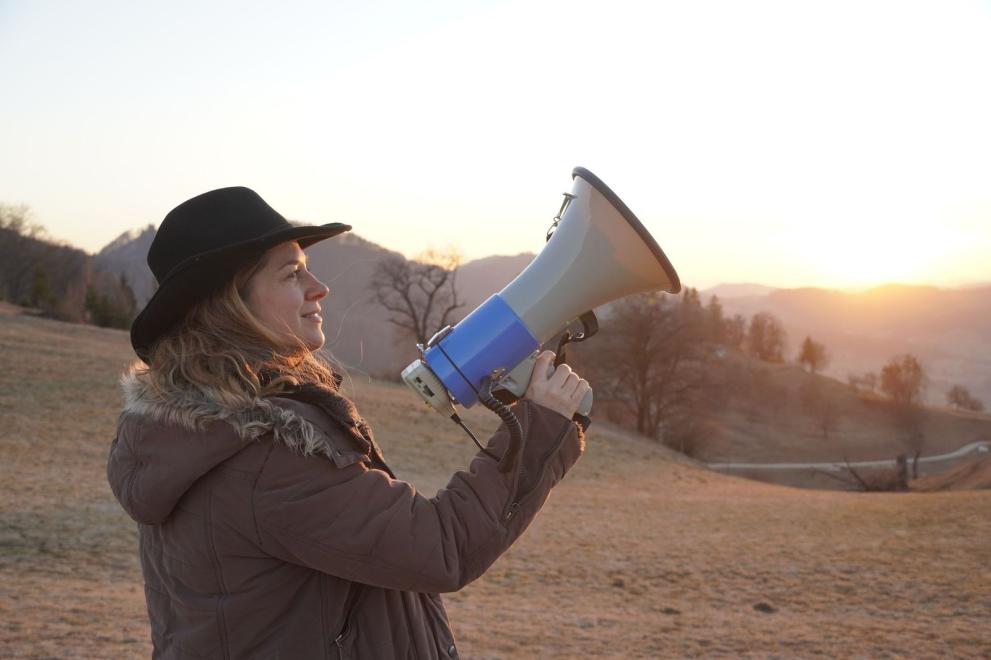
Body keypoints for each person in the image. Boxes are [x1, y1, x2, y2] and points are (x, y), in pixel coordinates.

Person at [107, 187, 590, 659]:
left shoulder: (203, 434)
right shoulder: (263, 459)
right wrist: (540, 425)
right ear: (230, 304)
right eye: (292, 274)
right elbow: (441, 546)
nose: (319, 288)